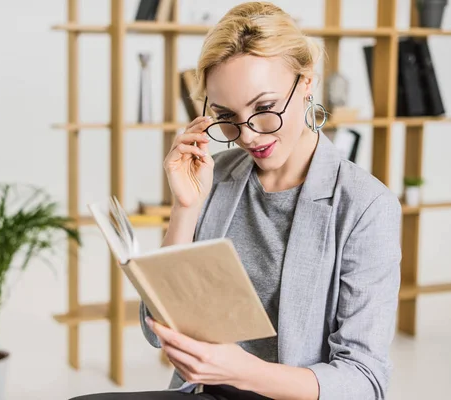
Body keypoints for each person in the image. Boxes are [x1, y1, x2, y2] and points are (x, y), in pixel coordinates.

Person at [71, 2, 402, 399]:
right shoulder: (218, 175)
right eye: (227, 116)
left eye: (264, 109)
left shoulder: (366, 206)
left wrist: (242, 370)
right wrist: (185, 208)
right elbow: (154, 328)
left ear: (307, 83)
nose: (248, 136)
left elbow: (364, 382)